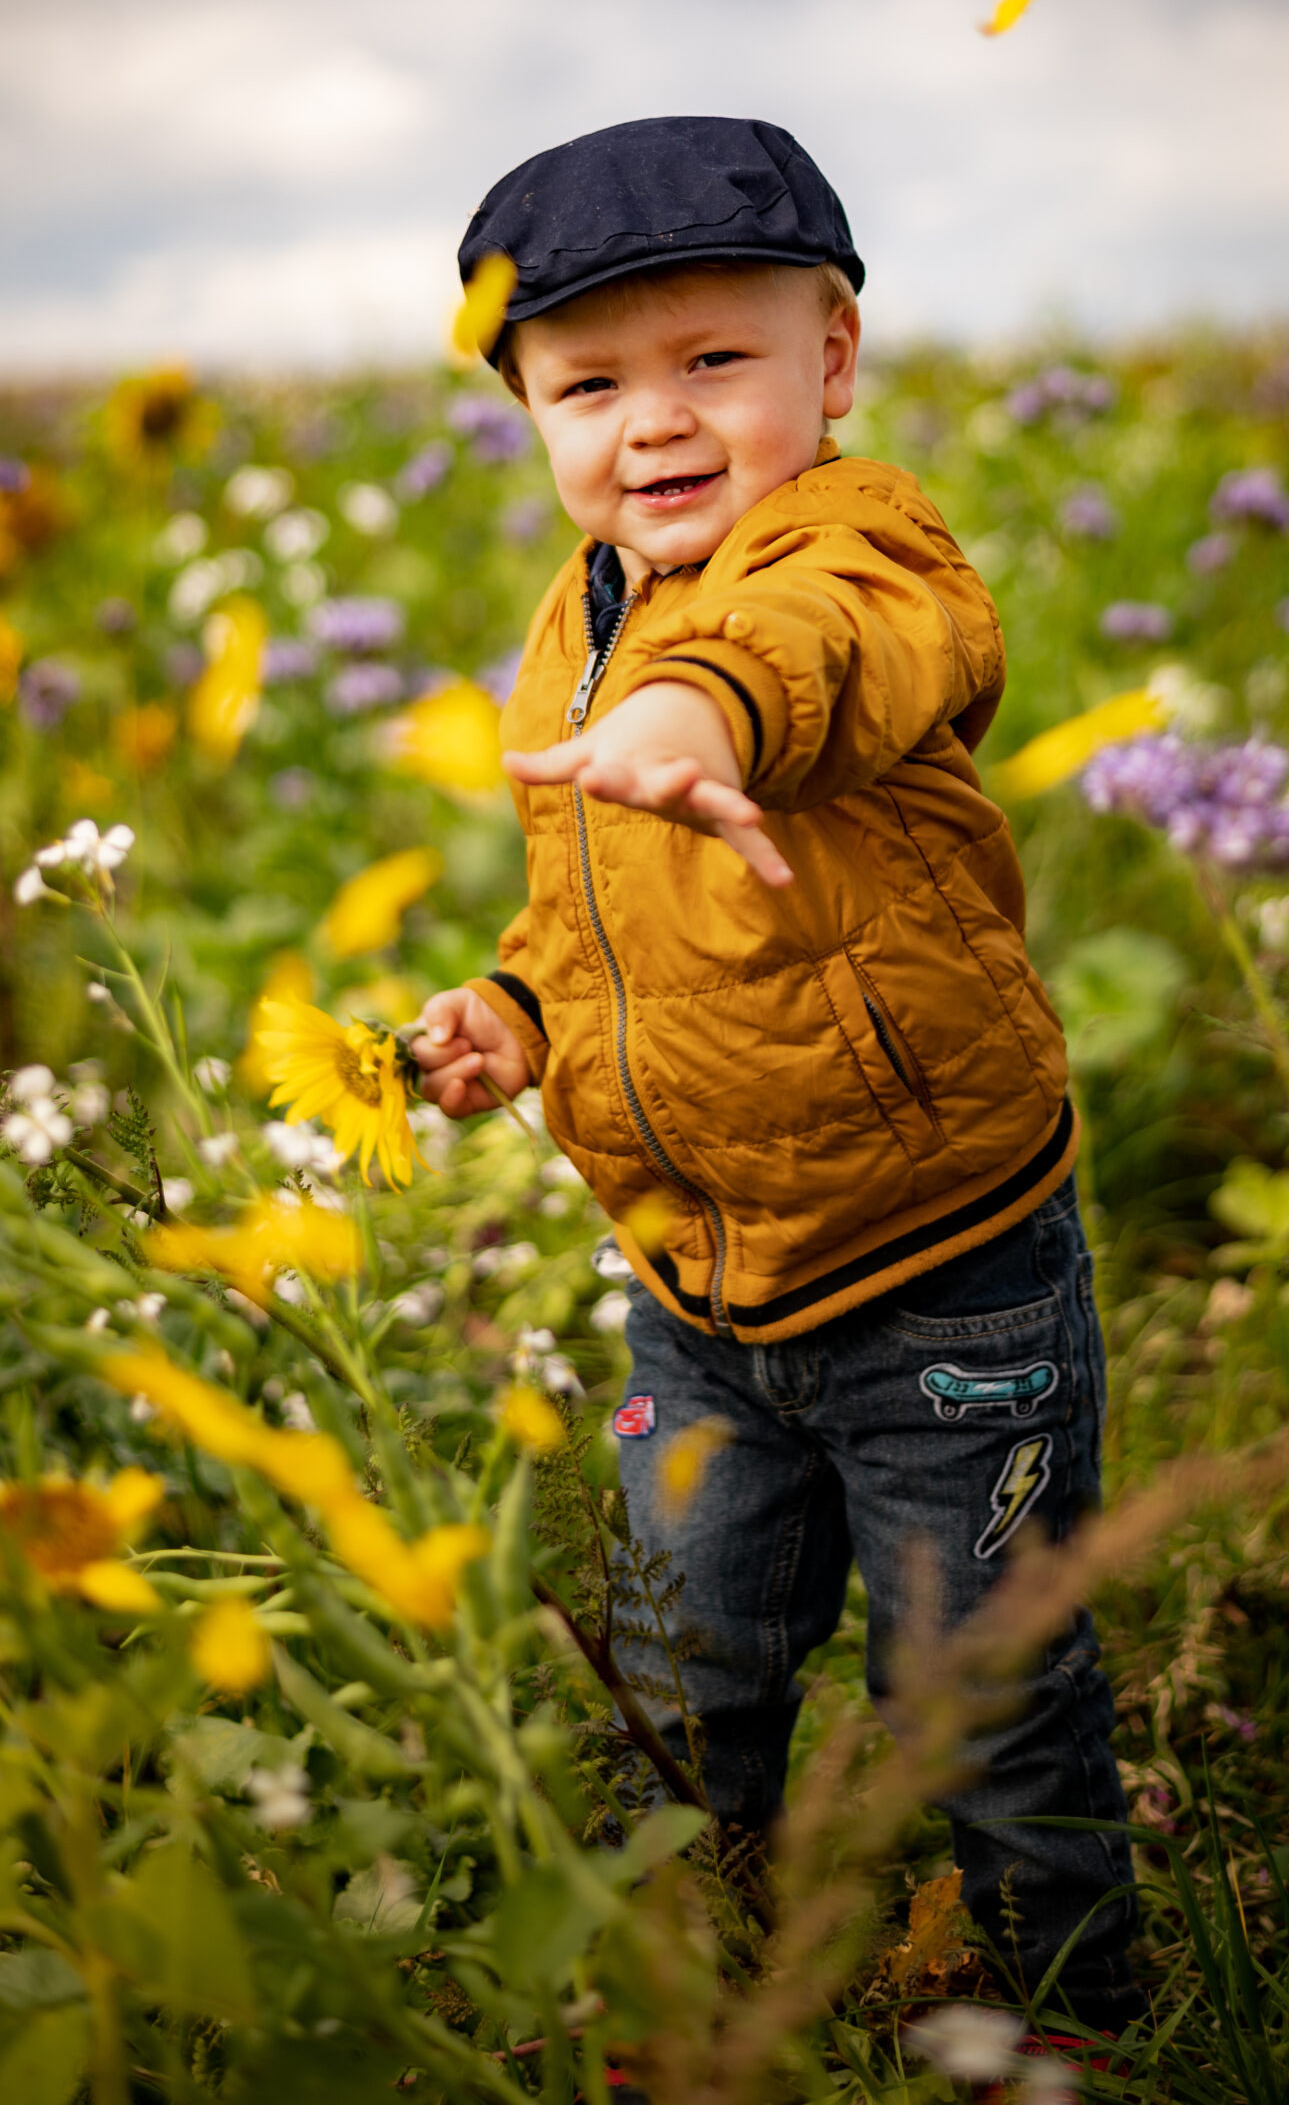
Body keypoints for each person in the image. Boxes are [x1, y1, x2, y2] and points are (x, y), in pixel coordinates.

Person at [414, 115, 1137, 2019]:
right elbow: (591, 905)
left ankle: (1059, 2013)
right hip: (698, 1284)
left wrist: (700, 704)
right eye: (589, 383)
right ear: (532, 417)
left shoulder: (860, 545)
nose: (653, 422)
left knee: (975, 1676)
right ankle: (687, 1989)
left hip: (938, 1278)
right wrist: (521, 1013)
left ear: (830, 361)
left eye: (713, 361)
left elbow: (825, 650)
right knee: (677, 1665)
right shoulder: (567, 633)